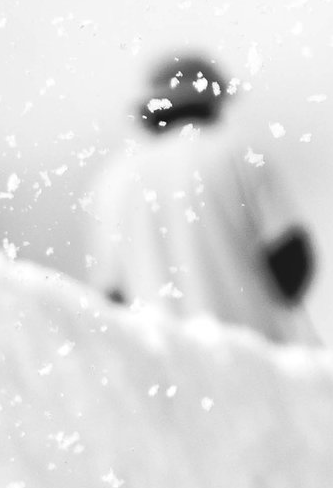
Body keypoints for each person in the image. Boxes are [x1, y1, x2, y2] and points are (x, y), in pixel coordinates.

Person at [83, 53, 319, 344]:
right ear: (213, 102)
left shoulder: (113, 181)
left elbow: (111, 299)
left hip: (169, 371)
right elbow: (291, 262)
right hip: (251, 357)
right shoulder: (239, 153)